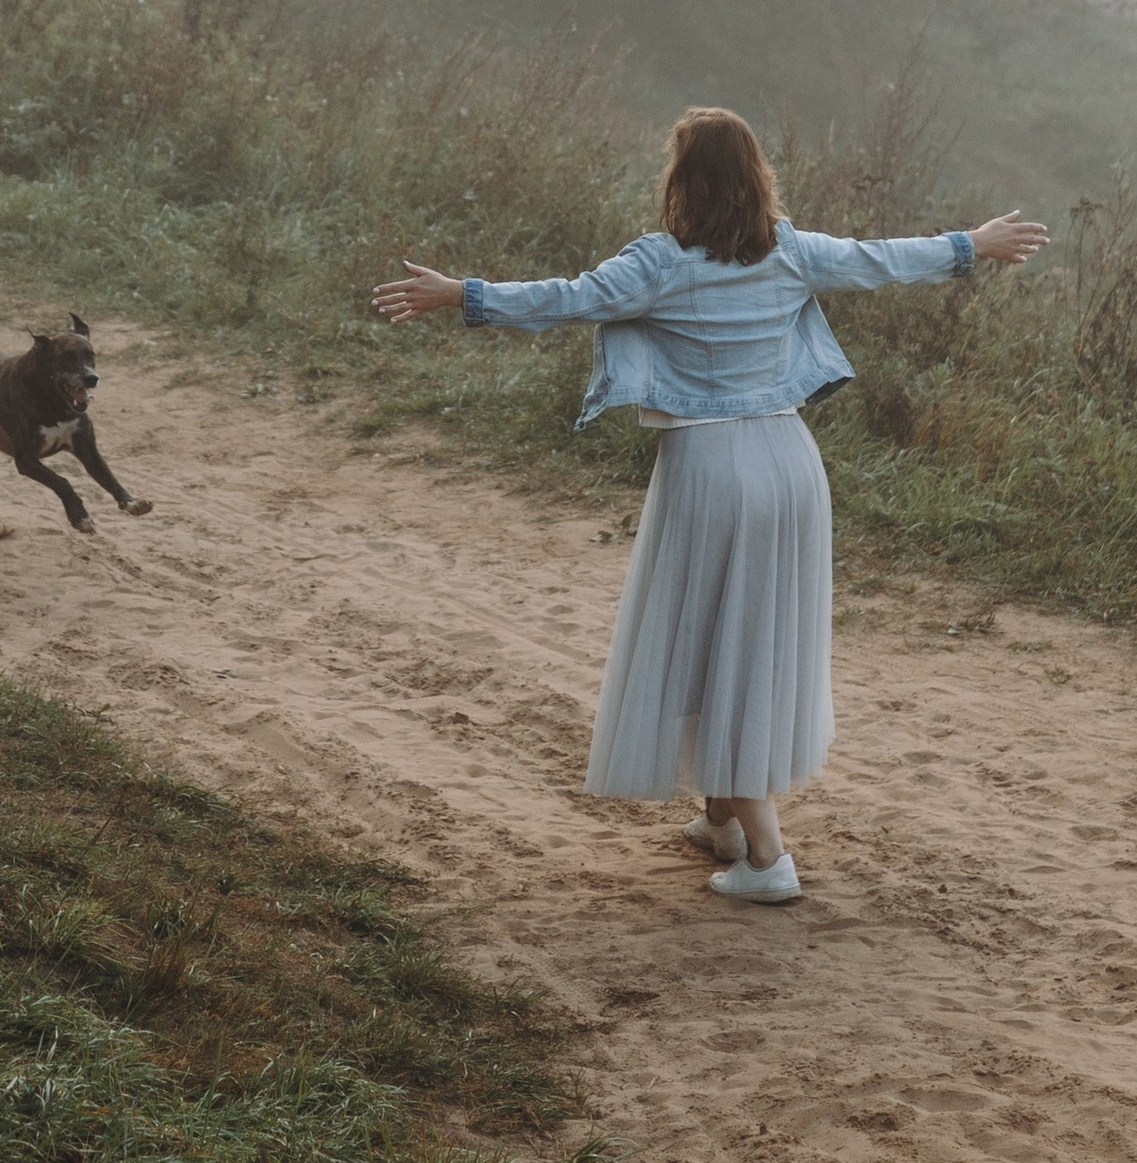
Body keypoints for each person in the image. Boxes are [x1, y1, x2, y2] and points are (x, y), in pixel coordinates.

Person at [373, 106, 1045, 904]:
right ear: (756, 177)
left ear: (683, 182)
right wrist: (975, 243)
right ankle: (722, 820)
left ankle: (767, 857)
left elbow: (566, 299)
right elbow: (882, 259)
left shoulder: (660, 263)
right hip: (791, 463)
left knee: (714, 639)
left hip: (712, 466)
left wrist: (462, 295)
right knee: (747, 638)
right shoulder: (788, 251)